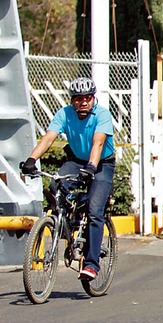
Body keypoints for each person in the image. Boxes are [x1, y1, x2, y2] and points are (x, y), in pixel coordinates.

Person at [21, 77, 115, 280]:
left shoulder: (102, 115)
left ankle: (91, 264)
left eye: (87, 98)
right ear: (72, 100)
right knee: (56, 184)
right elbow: (48, 137)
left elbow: (98, 144)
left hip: (101, 164)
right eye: (78, 98)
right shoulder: (64, 114)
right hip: (76, 160)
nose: (83, 102)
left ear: (93, 99)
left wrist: (91, 166)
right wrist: (31, 159)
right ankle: (68, 221)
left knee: (94, 210)